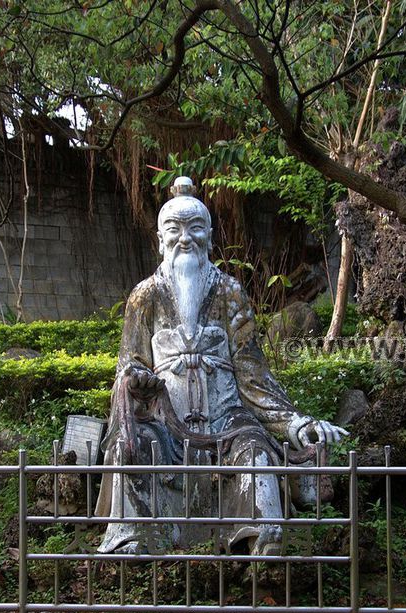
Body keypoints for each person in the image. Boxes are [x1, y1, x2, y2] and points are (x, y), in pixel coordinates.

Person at [95, 177, 347, 556]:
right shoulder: (145, 295)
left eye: (195, 229)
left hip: (227, 416)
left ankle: (260, 537)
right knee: (134, 446)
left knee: (254, 446)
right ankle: (137, 537)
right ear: (160, 240)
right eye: (174, 230)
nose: (185, 239)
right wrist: (136, 380)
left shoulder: (229, 292)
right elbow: (128, 364)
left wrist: (297, 422)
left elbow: (251, 373)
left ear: (209, 238)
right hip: (167, 420)